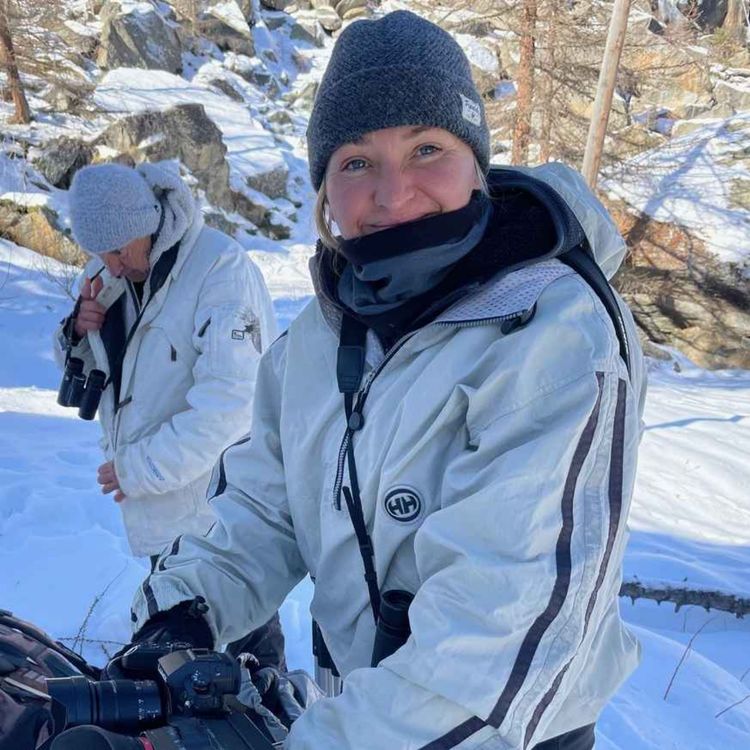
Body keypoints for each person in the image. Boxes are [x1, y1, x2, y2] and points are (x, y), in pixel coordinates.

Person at [119, 12, 646, 750]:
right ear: (326, 187)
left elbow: (496, 638)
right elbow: (262, 511)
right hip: (357, 714)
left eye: (427, 149)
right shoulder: (318, 338)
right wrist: (180, 612)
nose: (394, 194)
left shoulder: (550, 332)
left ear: (476, 162)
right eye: (357, 162)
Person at [54, 161, 285, 670]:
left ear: (147, 224)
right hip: (162, 503)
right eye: (98, 253)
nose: (108, 266)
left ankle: (277, 727)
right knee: (179, 651)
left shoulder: (221, 271)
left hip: (222, 503)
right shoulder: (111, 272)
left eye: (116, 251)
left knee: (249, 646)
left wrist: (138, 469)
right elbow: (96, 371)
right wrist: (77, 332)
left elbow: (231, 407)